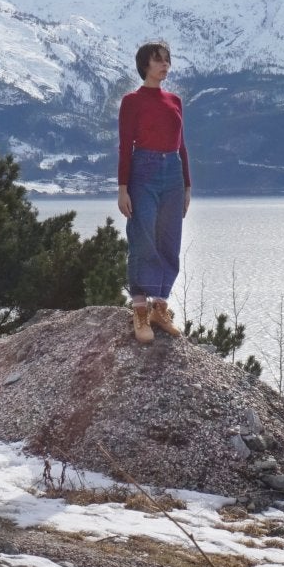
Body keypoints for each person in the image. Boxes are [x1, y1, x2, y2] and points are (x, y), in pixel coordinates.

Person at [116, 40, 191, 342]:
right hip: (143, 170)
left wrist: (187, 185)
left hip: (172, 171)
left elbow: (181, 144)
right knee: (143, 237)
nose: (165, 65)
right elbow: (125, 146)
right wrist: (123, 189)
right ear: (145, 64)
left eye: (167, 60)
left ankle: (160, 308)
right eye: (158, 60)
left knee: (169, 239)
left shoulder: (175, 100)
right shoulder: (132, 101)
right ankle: (139, 310)